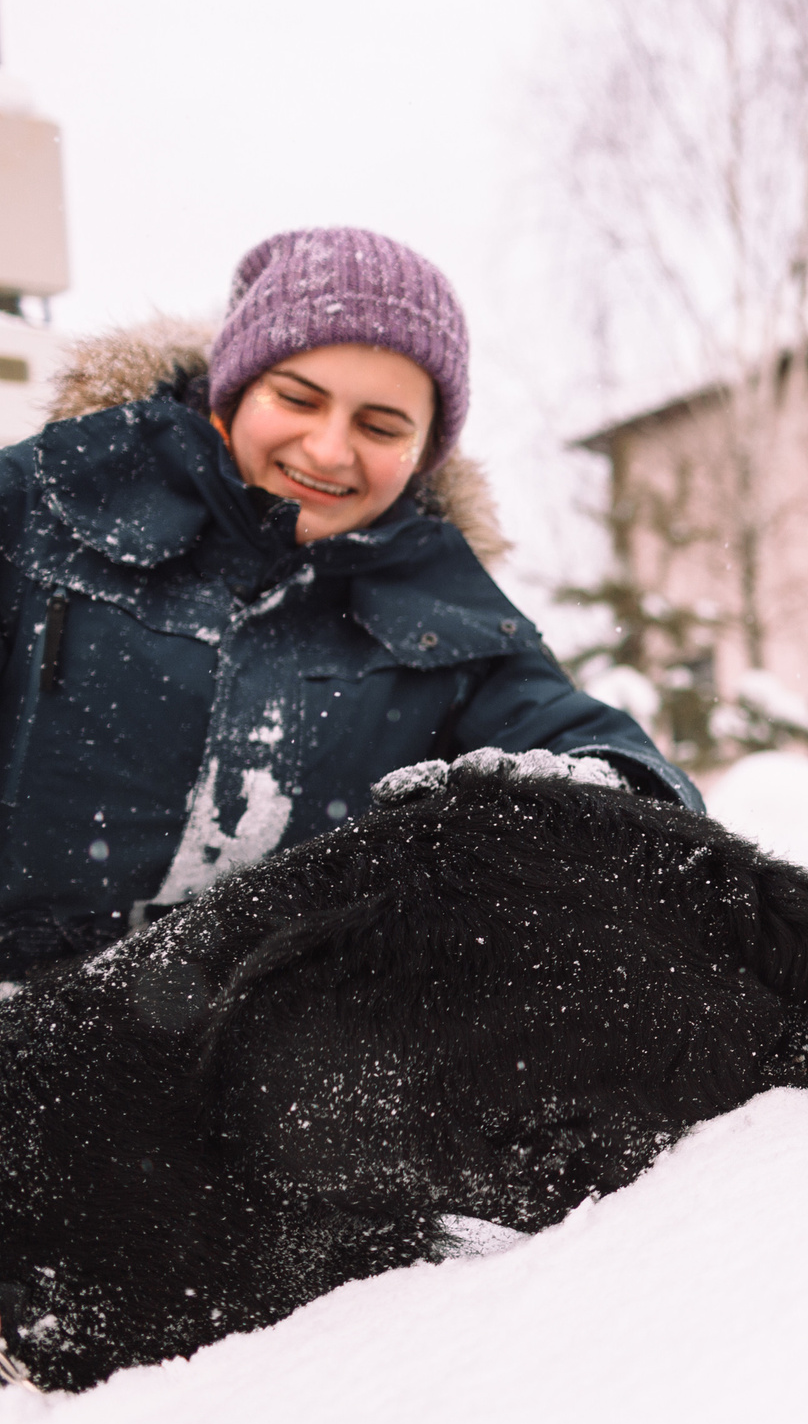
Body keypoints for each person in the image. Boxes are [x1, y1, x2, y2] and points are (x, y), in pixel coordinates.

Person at [0, 227, 696, 973]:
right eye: (297, 398)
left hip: (250, 1054)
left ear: (425, 453)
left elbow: (607, 763)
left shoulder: (448, 616)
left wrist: (598, 802)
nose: (329, 450)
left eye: (381, 426)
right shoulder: (46, 510)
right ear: (229, 394)